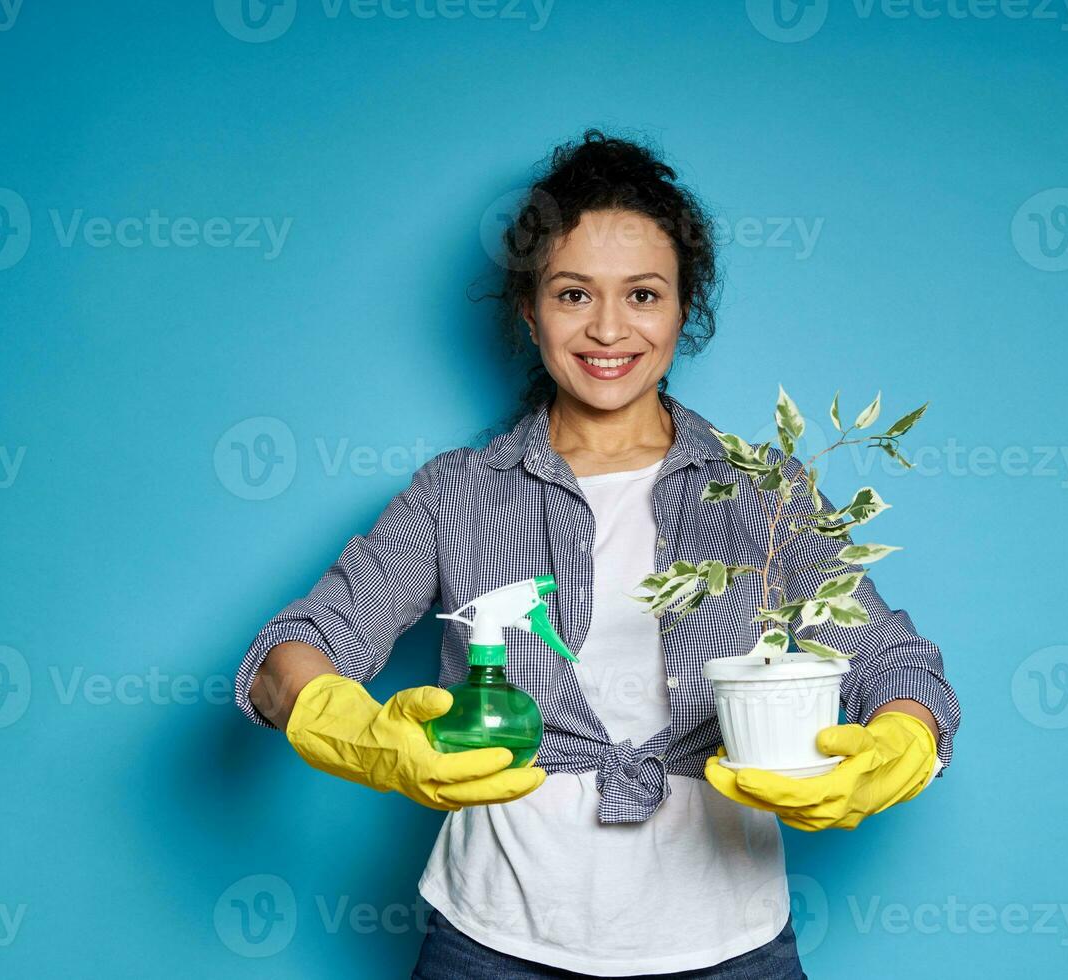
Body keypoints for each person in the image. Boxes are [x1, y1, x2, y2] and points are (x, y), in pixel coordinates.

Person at [235, 130, 961, 979]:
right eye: (574, 293)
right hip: (491, 942)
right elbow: (288, 651)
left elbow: (893, 660)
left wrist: (896, 747)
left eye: (643, 295)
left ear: (684, 310)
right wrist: (351, 729)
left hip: (730, 943)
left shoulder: (766, 494)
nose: (608, 328)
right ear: (528, 311)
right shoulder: (456, 494)